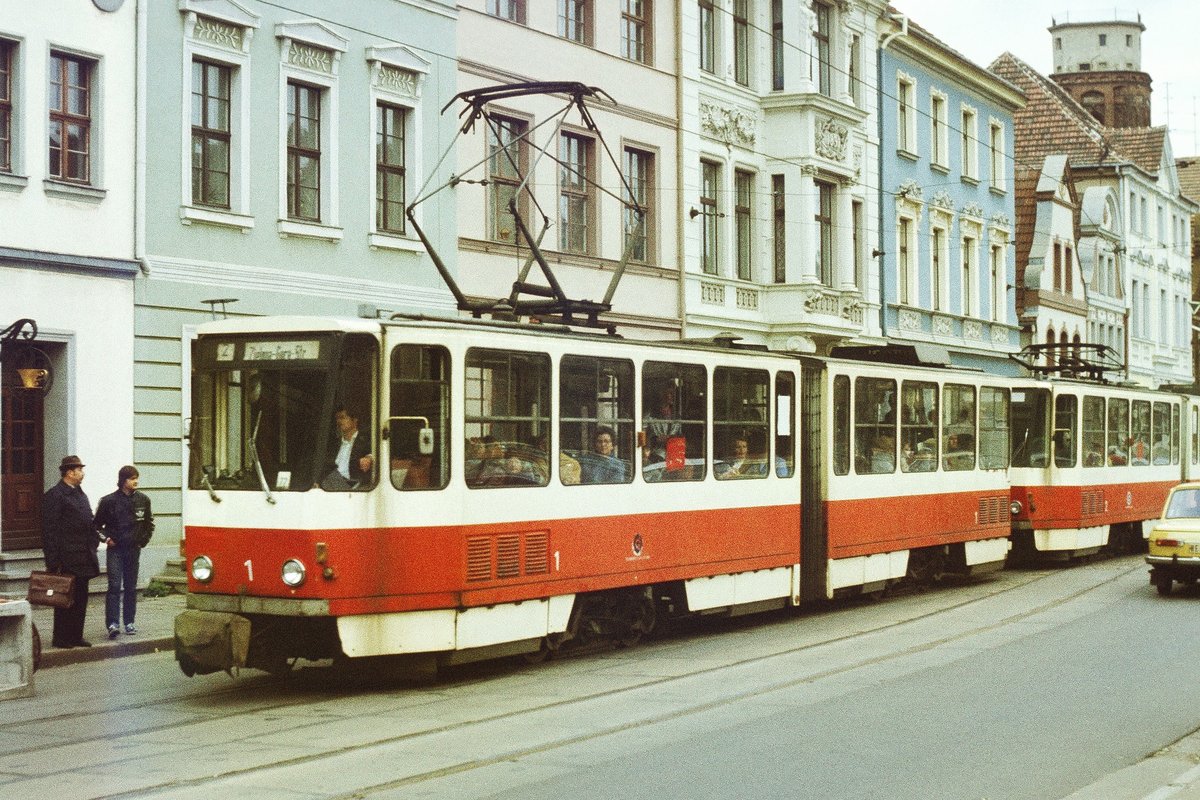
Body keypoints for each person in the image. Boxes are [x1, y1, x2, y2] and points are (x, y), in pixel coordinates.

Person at [41, 455, 99, 649]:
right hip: (66, 557)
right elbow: (49, 530)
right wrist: (52, 560)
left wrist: (93, 543)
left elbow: (89, 521)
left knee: (81, 598)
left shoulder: (80, 494)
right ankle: (61, 637)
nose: (82, 473)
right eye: (79, 470)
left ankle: (76, 635)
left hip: (83, 555)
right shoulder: (55, 495)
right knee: (64, 598)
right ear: (69, 472)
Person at [94, 465, 155, 638]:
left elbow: (149, 524)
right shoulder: (108, 501)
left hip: (133, 550)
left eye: (137, 477)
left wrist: (142, 541)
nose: (135, 481)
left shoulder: (143, 500)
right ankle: (113, 623)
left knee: (130, 587)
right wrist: (106, 539)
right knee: (114, 586)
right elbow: (96, 526)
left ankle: (129, 622)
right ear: (123, 481)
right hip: (116, 550)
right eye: (131, 478)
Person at [322, 405, 374, 489]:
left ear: (354, 420)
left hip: (354, 485)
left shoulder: (365, 440)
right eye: (337, 418)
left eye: (342, 417)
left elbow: (376, 452)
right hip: (333, 484)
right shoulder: (334, 443)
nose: (339, 421)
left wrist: (369, 458)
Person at [644, 387, 681, 464]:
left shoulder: (677, 416)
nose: (669, 396)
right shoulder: (649, 416)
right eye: (666, 394)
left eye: (671, 394)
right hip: (655, 454)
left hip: (675, 453)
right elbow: (641, 436)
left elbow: (681, 435)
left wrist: (671, 439)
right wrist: (655, 440)